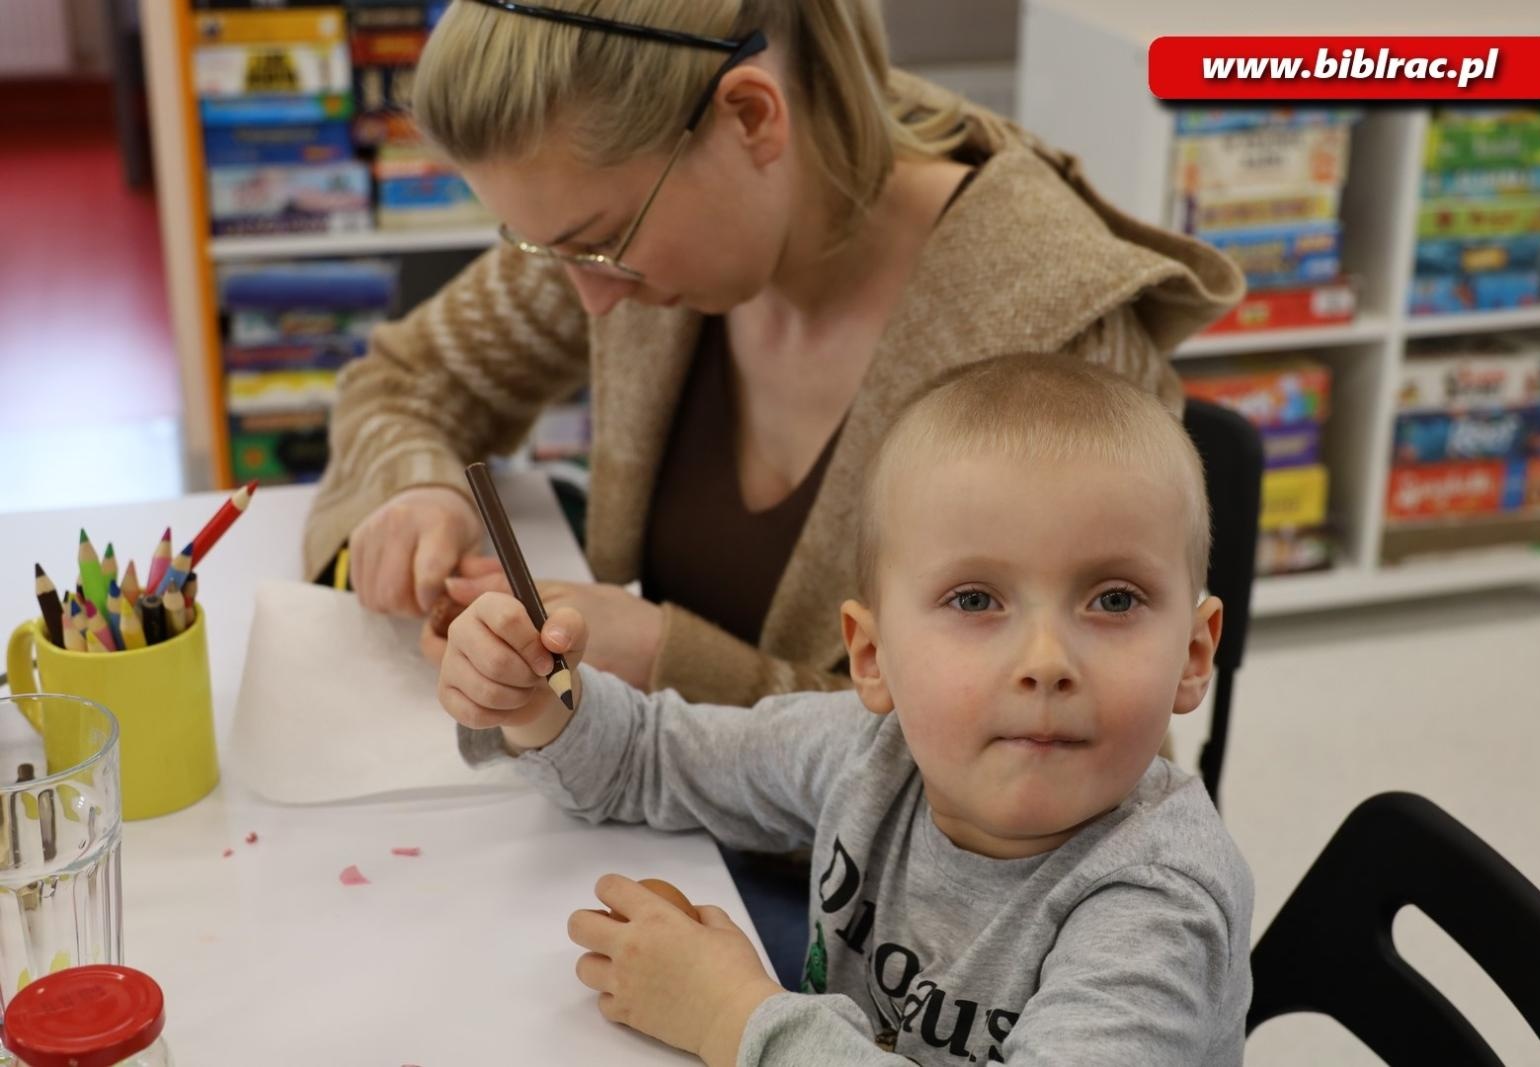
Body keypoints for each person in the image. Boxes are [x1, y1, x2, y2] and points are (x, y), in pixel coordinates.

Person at [301, 0, 1244, 706]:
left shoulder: (1057, 334)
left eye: (601, 240)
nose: (586, 295)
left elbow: (1066, 753)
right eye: (547, 251)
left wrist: (674, 669)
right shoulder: (626, 215)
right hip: (664, 829)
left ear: (752, 117)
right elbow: (409, 378)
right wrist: (414, 487)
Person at [435, 356, 1254, 1065]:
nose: (1046, 662)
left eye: (1114, 598)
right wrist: (540, 704)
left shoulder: (1157, 903)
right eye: (976, 598)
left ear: (1192, 652)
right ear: (873, 656)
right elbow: (655, 756)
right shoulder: (872, 752)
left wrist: (730, 1015)